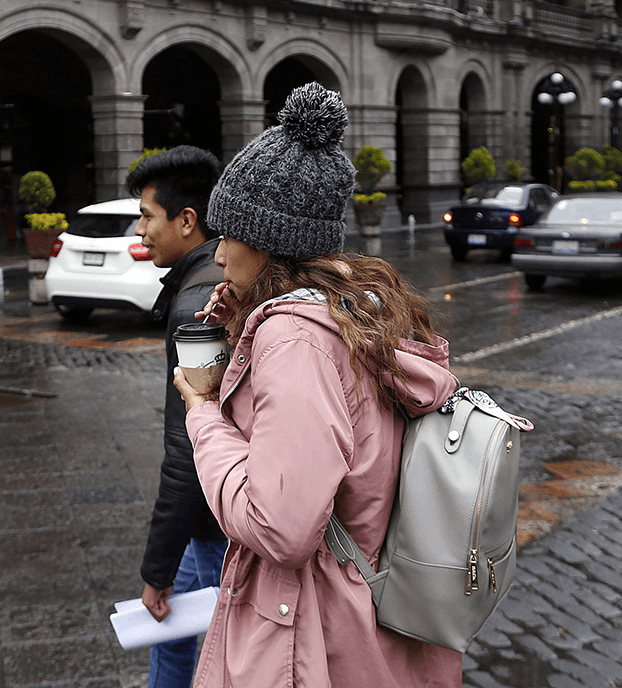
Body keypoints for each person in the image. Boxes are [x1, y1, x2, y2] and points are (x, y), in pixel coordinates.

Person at [173, 83, 462, 686]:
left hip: (316, 640)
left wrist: (202, 412)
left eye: (228, 235)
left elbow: (280, 525)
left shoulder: (296, 341)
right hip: (368, 617)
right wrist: (242, 334)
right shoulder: (350, 312)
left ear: (269, 242)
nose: (218, 255)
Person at [126, 145, 228, 688]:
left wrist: (154, 569)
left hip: (215, 521)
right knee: (167, 633)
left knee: (230, 654)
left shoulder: (198, 308)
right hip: (206, 516)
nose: (140, 232)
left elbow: (190, 444)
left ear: (186, 220)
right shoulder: (209, 280)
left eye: (147, 216)